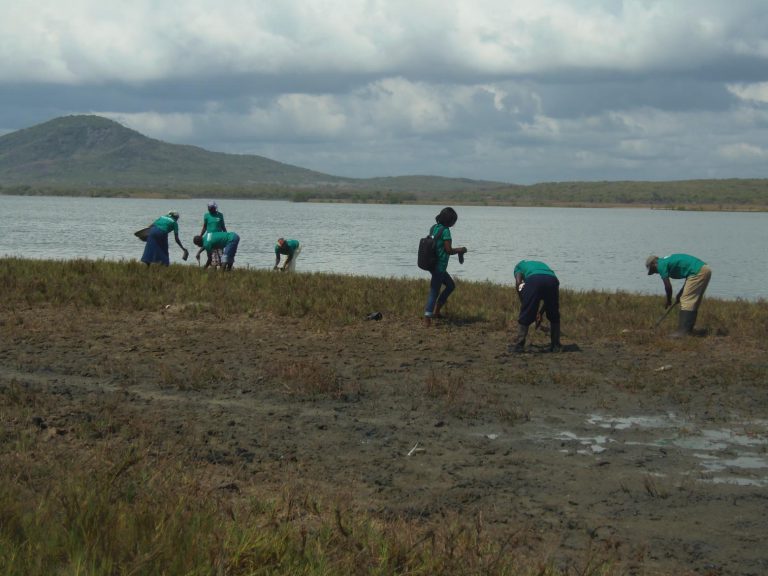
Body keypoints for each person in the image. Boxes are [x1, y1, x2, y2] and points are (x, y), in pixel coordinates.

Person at [646, 254, 712, 336]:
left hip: (698, 272)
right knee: (693, 300)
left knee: (686, 300)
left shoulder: (660, 264)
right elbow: (689, 276)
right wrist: (680, 294)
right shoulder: (666, 261)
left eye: (654, 270)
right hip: (704, 269)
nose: (656, 272)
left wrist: (669, 300)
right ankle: (688, 330)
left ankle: (683, 331)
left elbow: (668, 286)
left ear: (653, 264)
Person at [423, 207, 467, 326]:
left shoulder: (434, 228)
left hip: (432, 264)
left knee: (451, 286)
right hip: (439, 266)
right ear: (449, 220)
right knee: (434, 291)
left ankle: (436, 311)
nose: (454, 223)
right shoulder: (446, 231)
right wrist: (460, 250)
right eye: (454, 220)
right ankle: (427, 316)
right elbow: (448, 250)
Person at [511, 260, 561, 352]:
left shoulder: (518, 267)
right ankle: (556, 345)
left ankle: (519, 345)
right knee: (554, 313)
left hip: (534, 279)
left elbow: (519, 283)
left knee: (526, 314)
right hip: (553, 280)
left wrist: (524, 302)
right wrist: (540, 313)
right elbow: (548, 300)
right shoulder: (542, 265)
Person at [199, 201, 227, 269]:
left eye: (212, 208)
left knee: (221, 253)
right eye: (209, 208)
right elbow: (205, 227)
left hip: (219, 237)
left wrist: (226, 236)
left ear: (215, 208)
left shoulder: (220, 215)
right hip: (209, 238)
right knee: (211, 254)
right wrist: (200, 236)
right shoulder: (206, 215)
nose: (210, 209)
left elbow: (223, 226)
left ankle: (222, 267)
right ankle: (213, 267)